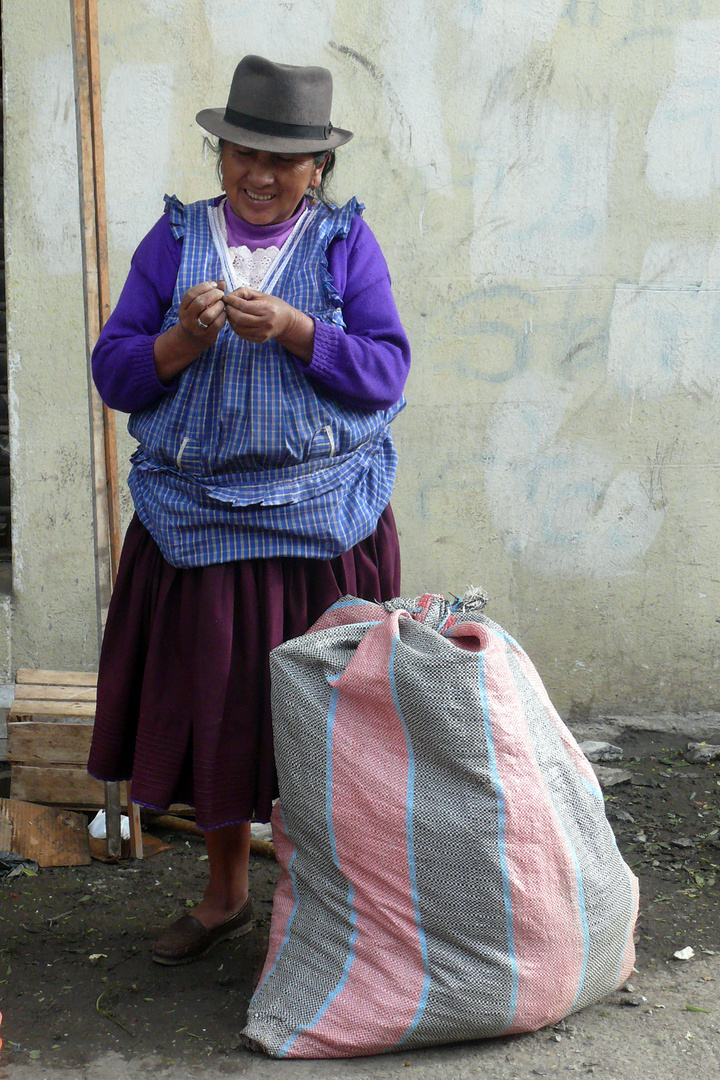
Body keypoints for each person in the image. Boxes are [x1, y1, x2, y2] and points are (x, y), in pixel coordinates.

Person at [87, 54, 410, 965]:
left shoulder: (346, 245)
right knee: (219, 712)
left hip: (321, 530)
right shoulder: (177, 241)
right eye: (241, 152)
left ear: (320, 170)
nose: (259, 175)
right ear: (219, 153)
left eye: (283, 160)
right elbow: (116, 373)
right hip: (199, 529)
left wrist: (303, 332)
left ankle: (325, 907)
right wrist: (184, 336)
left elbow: (387, 368)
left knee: (327, 725)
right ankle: (227, 893)